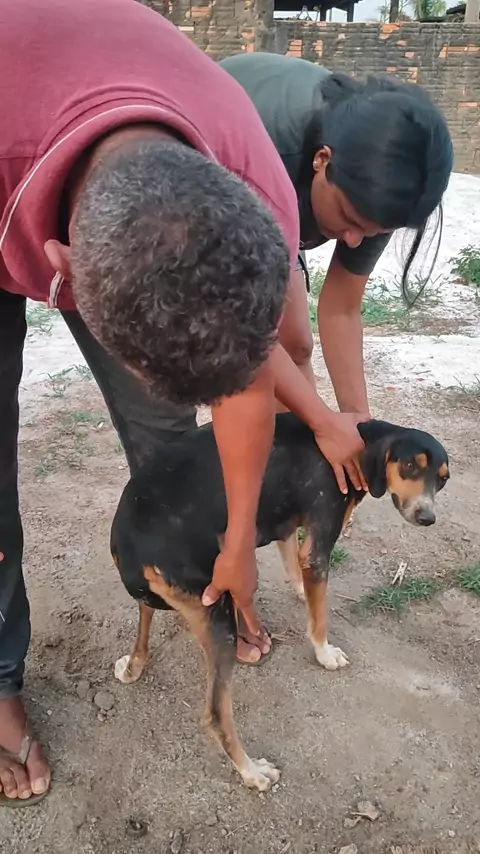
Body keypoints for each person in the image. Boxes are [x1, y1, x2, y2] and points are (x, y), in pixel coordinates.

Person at [0, 0, 377, 807]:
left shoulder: (258, 187)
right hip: (16, 143)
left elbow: (253, 371)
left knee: (168, 440)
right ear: (61, 268)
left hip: (102, 142)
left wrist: (237, 542)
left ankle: (205, 572)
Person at [220, 50, 453, 574]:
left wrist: (362, 434)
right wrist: (323, 422)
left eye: (371, 231)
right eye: (348, 218)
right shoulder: (266, 151)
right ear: (322, 161)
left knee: (296, 342)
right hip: (212, 179)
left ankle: (287, 485)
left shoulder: (384, 188)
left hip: (282, 198)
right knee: (234, 362)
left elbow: (342, 309)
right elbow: (242, 330)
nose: (351, 240)